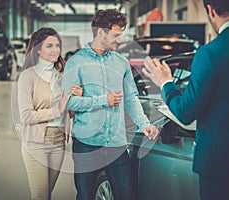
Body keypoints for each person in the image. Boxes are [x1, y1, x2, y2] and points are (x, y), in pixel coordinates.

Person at [142, 0, 229, 199]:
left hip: (221, 166)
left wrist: (166, 82)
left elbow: (185, 112)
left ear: (211, 11)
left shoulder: (210, 53)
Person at [61, 9, 159, 200]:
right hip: (86, 144)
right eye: (115, 35)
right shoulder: (76, 62)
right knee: (85, 194)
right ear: (100, 32)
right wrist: (102, 100)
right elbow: (69, 101)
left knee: (126, 193)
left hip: (116, 143)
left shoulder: (121, 63)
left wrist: (144, 123)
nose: (119, 40)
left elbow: (131, 98)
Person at [17, 27, 82, 200]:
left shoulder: (62, 75)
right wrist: (56, 110)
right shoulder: (27, 76)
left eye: (57, 45)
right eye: (49, 46)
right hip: (36, 141)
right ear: (38, 49)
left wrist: (78, 98)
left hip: (59, 140)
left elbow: (71, 112)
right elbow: (26, 116)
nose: (56, 50)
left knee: (47, 195)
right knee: (40, 196)